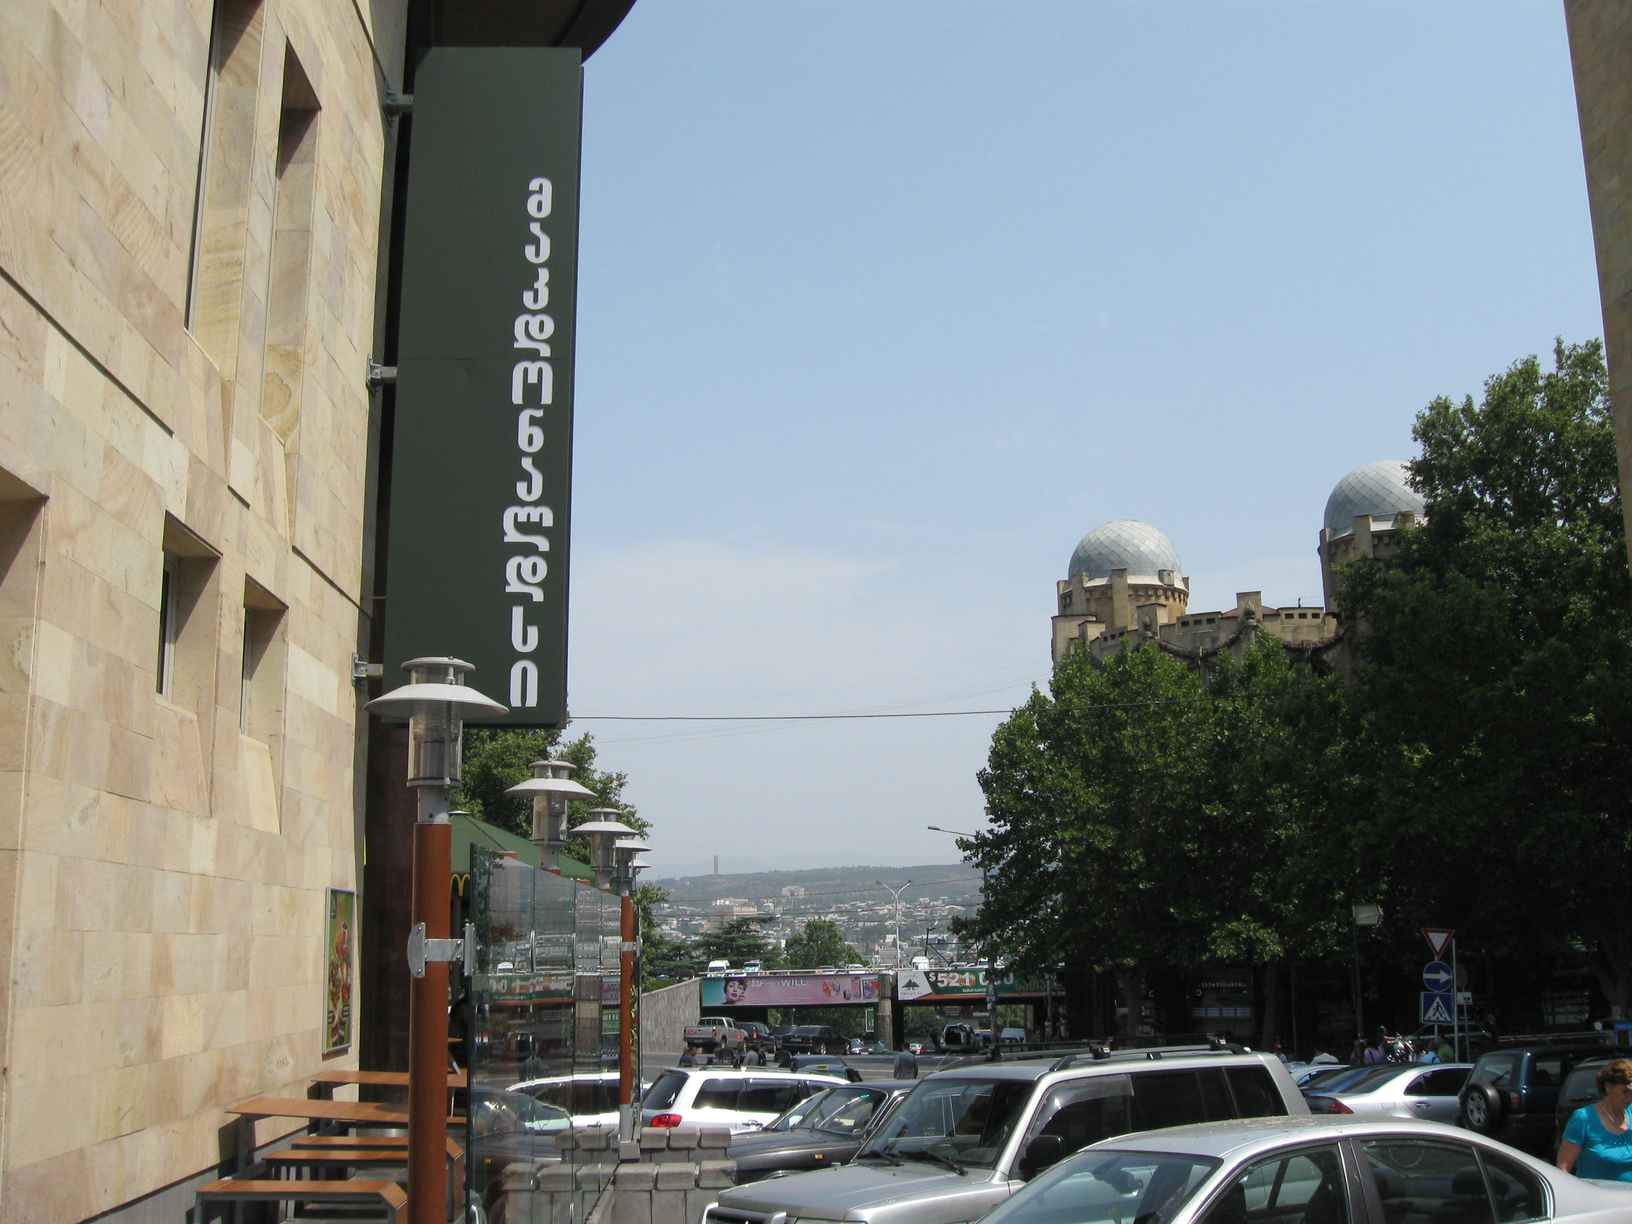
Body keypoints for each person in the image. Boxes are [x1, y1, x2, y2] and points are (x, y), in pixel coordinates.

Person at [1557, 1058, 1632, 1182]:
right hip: (1596, 1193)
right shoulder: (1584, 1118)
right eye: (1625, 1092)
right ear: (1608, 1087)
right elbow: (1563, 1168)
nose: (1630, 1098)